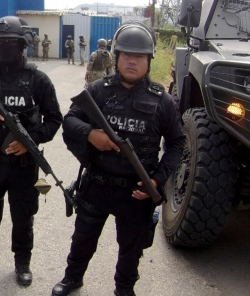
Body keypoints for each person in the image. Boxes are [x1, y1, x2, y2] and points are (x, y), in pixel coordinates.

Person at [51, 21, 186, 296]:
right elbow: (70, 120)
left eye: (139, 57)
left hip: (136, 192)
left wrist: (157, 180)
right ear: (117, 57)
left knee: (131, 249)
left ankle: (124, 289)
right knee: (83, 239)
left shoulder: (163, 101)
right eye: (126, 55)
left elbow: (177, 143)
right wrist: (91, 135)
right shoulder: (98, 90)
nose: (132, 62)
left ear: (149, 61)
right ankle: (72, 278)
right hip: (97, 184)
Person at [0, 16, 63, 287]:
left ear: (23, 44)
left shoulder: (38, 79)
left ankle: (22, 262)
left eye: (12, 42)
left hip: (23, 163)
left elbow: (54, 119)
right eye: (1, 42)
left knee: (23, 214)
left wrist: (30, 139)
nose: (6, 46)